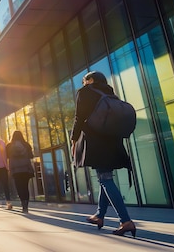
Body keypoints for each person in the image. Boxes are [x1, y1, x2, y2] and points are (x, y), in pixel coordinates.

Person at [72, 71, 136, 237]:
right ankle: (99, 216)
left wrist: (73, 140)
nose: (84, 83)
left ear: (91, 80)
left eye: (85, 80)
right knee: (105, 177)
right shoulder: (110, 93)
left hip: (96, 141)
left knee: (105, 179)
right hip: (112, 141)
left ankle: (125, 221)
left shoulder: (85, 92)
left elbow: (79, 117)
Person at [6, 131, 35, 213]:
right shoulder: (26, 145)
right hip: (26, 169)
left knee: (19, 187)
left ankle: (23, 204)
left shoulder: (9, 146)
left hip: (15, 170)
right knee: (25, 187)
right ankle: (26, 206)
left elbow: (7, 156)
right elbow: (31, 156)